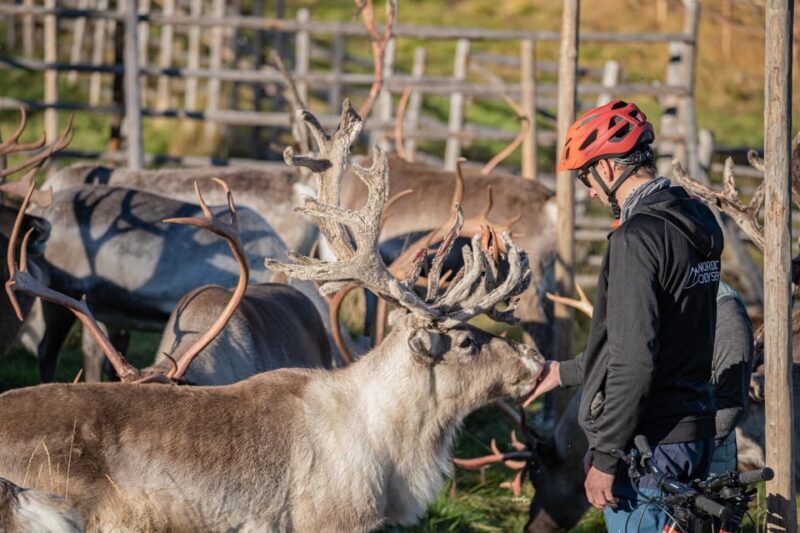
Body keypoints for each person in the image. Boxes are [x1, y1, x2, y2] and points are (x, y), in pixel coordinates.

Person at [529, 99, 724, 531]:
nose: (590, 191)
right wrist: (565, 371)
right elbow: (666, 335)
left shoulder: (635, 240)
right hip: (695, 430)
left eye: (587, 177)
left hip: (650, 445)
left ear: (610, 169)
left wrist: (605, 456)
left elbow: (634, 360)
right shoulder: (698, 220)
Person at [709, 281, 754, 475]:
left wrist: (690, 449)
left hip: (707, 465)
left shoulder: (725, 310)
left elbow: (731, 402)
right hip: (652, 464)